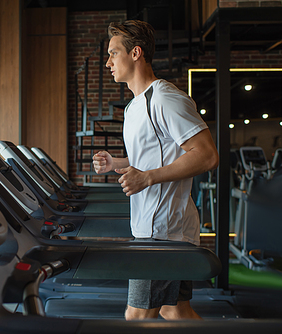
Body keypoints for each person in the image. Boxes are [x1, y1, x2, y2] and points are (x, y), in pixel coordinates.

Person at [92, 20, 219, 320]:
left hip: (163, 232)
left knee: (136, 318)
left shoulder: (164, 99)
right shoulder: (133, 106)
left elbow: (207, 156)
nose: (107, 62)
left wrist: (147, 178)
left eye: (113, 53)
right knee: (174, 310)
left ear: (135, 53)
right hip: (158, 228)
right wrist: (117, 164)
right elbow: (153, 158)